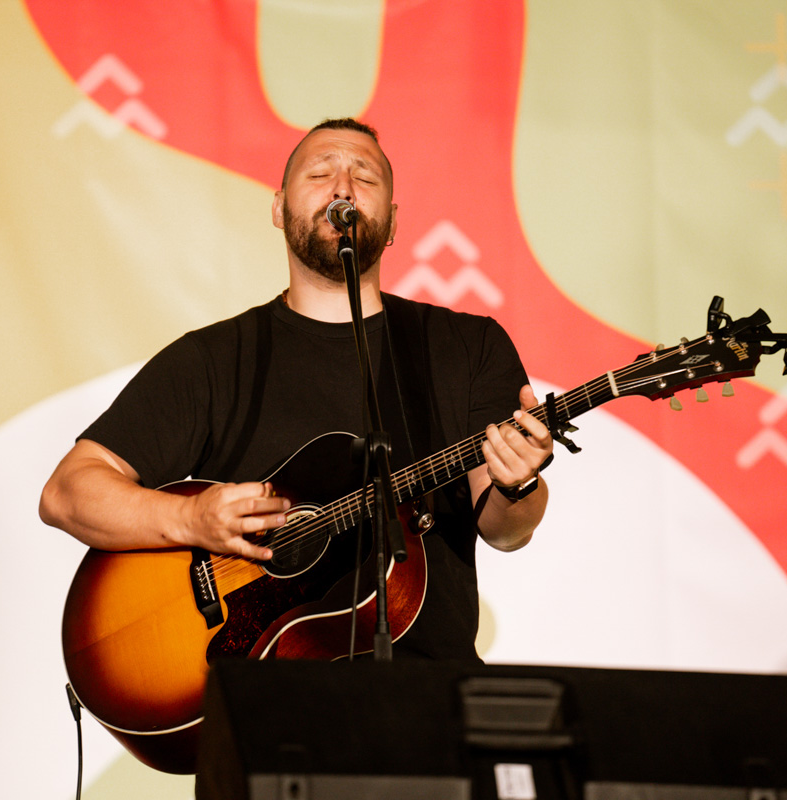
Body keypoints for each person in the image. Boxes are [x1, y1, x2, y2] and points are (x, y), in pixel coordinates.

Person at [40, 118, 553, 661]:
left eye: (365, 177)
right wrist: (190, 519)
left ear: (394, 221)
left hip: (429, 700)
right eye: (319, 173)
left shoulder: (466, 346)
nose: (343, 187)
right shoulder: (215, 359)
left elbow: (505, 531)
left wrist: (518, 486)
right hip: (262, 705)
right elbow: (67, 493)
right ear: (279, 209)